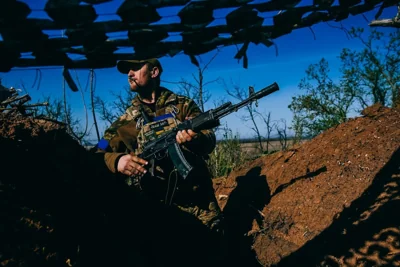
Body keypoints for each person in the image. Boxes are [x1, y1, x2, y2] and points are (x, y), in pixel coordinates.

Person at [94, 58, 224, 266]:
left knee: (213, 254)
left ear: (154, 72)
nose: (130, 73)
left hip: (198, 202)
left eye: (135, 68)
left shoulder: (183, 106)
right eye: (127, 70)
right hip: (154, 209)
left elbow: (209, 137)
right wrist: (117, 160)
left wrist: (195, 138)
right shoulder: (122, 122)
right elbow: (98, 150)